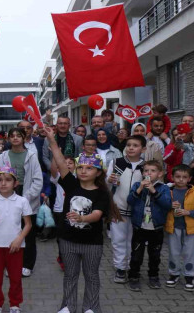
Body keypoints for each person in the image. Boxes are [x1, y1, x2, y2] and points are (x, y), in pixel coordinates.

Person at [46, 125, 114, 313]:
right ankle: (68, 306)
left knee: (91, 276)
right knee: (70, 275)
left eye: (89, 168)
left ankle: (91, 307)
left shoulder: (101, 193)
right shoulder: (71, 183)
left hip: (92, 242)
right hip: (68, 239)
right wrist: (52, 140)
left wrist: (82, 218)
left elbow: (97, 215)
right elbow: (60, 162)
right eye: (81, 167)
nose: (83, 171)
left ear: (99, 172)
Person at [0, 166, 32, 313]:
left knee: (15, 278)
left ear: (15, 183)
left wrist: (19, 239)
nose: (3, 183)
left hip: (15, 246)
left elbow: (28, 224)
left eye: (8, 180)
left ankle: (15, 304)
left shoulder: (22, 200)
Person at [0, 127, 43, 277]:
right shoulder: (3, 156)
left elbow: (37, 180)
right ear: (8, 139)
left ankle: (27, 264)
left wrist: (26, 197)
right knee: (10, 231)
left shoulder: (31, 155)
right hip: (9, 194)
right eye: (12, 136)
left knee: (27, 233)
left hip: (28, 196)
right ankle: (10, 264)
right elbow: (0, 177)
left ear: (24, 138)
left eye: (19, 135)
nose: (16, 138)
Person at [107, 135, 147, 284]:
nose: (131, 148)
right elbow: (107, 184)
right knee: (118, 239)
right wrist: (109, 180)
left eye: (135, 145)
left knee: (134, 240)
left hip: (138, 211)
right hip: (119, 208)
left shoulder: (146, 166)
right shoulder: (117, 162)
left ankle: (132, 266)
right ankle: (120, 268)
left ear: (143, 149)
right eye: (129, 145)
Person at [126, 160, 171, 291]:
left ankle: (153, 276)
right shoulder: (136, 185)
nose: (148, 173)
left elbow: (167, 205)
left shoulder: (164, 188)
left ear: (160, 173)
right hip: (139, 227)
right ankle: (133, 276)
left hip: (156, 228)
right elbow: (130, 201)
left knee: (155, 255)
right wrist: (140, 188)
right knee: (136, 254)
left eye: (152, 171)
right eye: (146, 171)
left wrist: (153, 191)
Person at [165, 165, 194, 291]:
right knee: (174, 252)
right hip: (173, 228)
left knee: (190, 253)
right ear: (172, 177)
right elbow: (161, 206)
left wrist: (188, 212)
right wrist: (169, 205)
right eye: (177, 177)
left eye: (184, 177)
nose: (181, 180)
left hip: (190, 230)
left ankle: (190, 275)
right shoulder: (168, 191)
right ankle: (174, 273)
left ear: (189, 179)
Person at [49, 153, 76, 272]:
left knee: (72, 236)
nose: (68, 165)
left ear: (75, 166)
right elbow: (53, 170)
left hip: (74, 212)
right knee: (61, 237)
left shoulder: (79, 177)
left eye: (71, 163)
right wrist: (56, 156)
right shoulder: (58, 177)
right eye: (65, 163)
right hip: (60, 210)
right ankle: (62, 258)